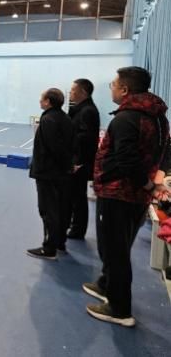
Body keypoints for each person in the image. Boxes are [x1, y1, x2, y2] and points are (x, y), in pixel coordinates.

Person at [84, 67, 169, 327]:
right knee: (119, 246)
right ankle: (106, 283)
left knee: (114, 251)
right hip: (136, 197)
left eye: (113, 84)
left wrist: (148, 185)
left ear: (124, 89)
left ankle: (119, 309)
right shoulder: (158, 117)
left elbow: (127, 160)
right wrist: (153, 183)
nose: (111, 88)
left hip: (118, 194)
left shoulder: (126, 118)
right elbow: (164, 151)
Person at [27, 88, 73, 260]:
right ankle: (59, 242)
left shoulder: (48, 120)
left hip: (48, 173)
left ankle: (49, 248)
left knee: (48, 210)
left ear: (48, 101)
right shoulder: (65, 118)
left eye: (42, 98)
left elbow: (54, 148)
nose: (40, 101)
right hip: (60, 173)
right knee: (60, 208)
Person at [65, 79, 100, 240]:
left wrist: (77, 163)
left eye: (73, 90)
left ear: (83, 92)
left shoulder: (88, 111)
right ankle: (73, 225)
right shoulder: (80, 109)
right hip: (77, 160)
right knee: (74, 195)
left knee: (78, 197)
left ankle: (77, 229)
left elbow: (87, 139)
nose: (70, 92)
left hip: (80, 162)